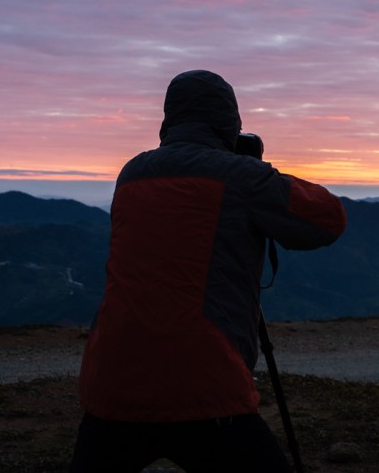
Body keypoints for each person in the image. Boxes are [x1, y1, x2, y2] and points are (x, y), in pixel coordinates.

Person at [70, 70, 347, 472]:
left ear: (168, 120)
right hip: (204, 387)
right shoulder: (242, 177)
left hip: (112, 385)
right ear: (230, 121)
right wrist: (261, 171)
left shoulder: (131, 174)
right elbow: (328, 219)